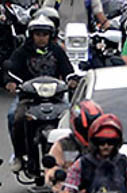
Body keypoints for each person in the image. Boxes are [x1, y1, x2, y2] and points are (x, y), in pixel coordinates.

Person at [5, 16, 75, 171]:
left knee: (73, 117)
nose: (41, 38)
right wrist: (11, 82)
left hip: (56, 98)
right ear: (32, 35)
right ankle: (18, 154)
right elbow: (12, 70)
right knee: (13, 117)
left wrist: (72, 80)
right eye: (38, 34)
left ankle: (72, 155)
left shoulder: (57, 50)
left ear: (50, 35)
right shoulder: (22, 51)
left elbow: (67, 70)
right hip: (29, 98)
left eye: (45, 34)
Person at [60, 113, 127, 193]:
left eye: (111, 142)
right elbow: (69, 186)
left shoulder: (126, 162)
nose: (106, 146)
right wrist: (66, 192)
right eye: (101, 142)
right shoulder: (81, 163)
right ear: (95, 143)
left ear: (117, 143)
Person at [45, 100, 104, 188]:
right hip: (71, 190)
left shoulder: (108, 144)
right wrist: (55, 173)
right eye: (86, 129)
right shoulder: (63, 145)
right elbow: (51, 171)